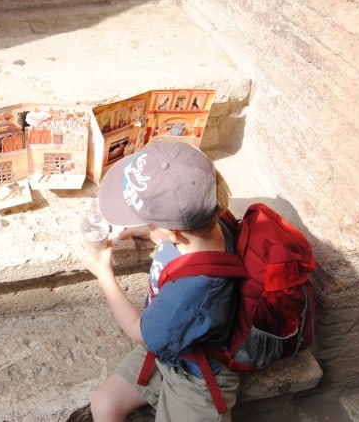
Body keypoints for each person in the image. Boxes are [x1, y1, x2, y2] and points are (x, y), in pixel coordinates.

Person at [79, 140, 239, 421]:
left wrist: (103, 273)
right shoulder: (207, 217)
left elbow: (139, 332)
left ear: (171, 232)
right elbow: (178, 219)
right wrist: (146, 228)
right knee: (104, 405)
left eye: (149, 223)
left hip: (198, 375)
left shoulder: (194, 293)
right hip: (171, 350)